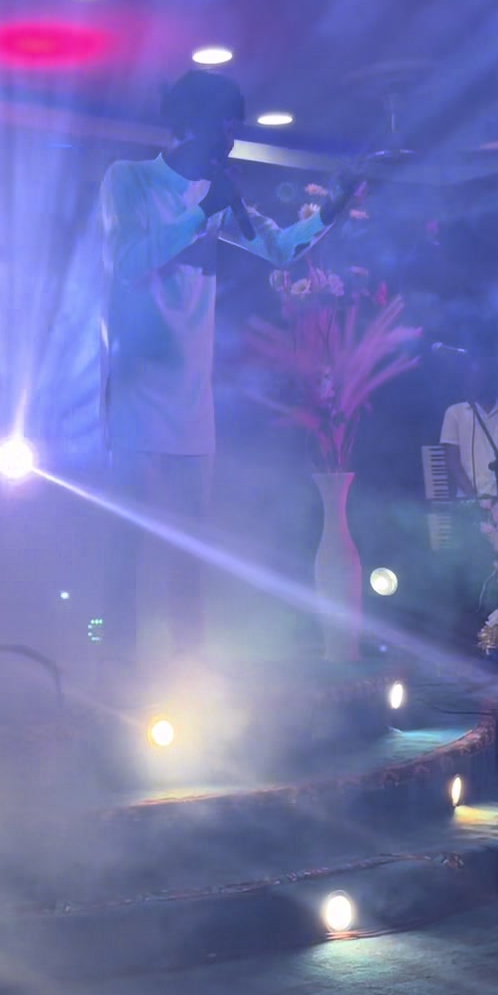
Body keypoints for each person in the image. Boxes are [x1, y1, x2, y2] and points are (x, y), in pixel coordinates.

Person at [98, 69, 356, 681]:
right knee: (128, 542)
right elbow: (127, 262)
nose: (231, 141)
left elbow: (279, 249)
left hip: (192, 396)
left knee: (191, 544)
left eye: (235, 129)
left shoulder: (217, 193)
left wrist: (333, 208)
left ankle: (190, 670)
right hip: (136, 390)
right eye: (223, 127)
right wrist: (202, 213)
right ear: (189, 124)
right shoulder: (129, 179)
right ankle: (117, 668)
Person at [440, 356, 498, 501]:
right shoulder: (454, 412)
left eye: (485, 375)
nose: (480, 380)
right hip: (469, 503)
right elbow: (452, 461)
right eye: (475, 375)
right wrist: (473, 497)